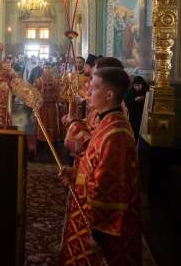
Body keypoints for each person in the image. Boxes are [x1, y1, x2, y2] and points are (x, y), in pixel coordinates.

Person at [59, 67, 141, 266]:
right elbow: (95, 165)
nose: (88, 92)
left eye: (94, 87)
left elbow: (111, 187)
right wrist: (76, 173)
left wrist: (98, 233)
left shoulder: (116, 134)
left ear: (109, 94)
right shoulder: (107, 122)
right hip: (90, 213)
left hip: (101, 226)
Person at [35, 63, 61, 142]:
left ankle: (52, 140)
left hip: (52, 106)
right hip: (41, 107)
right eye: (45, 67)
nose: (47, 69)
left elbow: (58, 93)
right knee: (42, 122)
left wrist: (54, 97)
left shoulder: (56, 81)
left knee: (52, 123)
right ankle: (41, 139)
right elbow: (34, 93)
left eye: (48, 67)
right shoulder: (38, 80)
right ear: (43, 68)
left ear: (51, 69)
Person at [124, 75, 149, 140]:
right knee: (133, 130)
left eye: (139, 85)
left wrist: (144, 99)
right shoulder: (131, 91)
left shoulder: (146, 90)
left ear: (142, 85)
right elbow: (126, 102)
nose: (137, 87)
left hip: (144, 115)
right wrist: (135, 100)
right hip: (133, 114)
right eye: (135, 85)